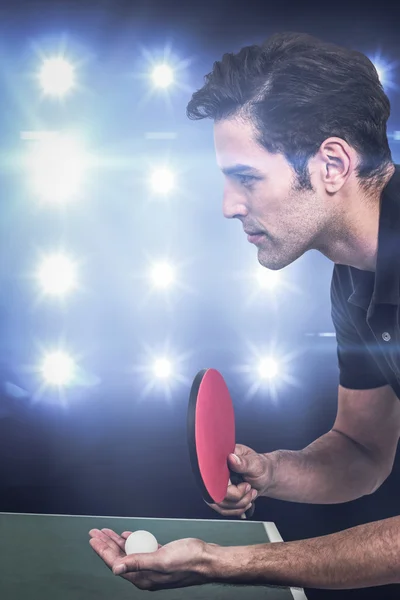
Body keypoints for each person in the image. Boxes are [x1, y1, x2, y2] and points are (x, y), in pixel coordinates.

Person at [89, 31, 400, 591]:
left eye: (247, 178)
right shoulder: (356, 281)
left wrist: (223, 562)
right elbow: (363, 452)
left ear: (332, 164)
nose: (229, 206)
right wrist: (273, 471)